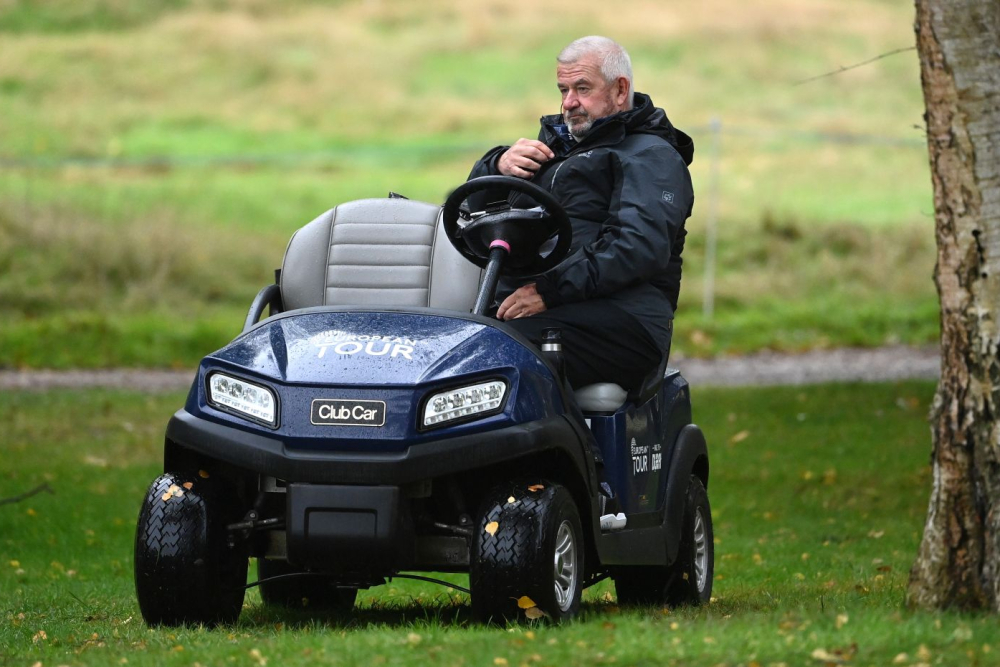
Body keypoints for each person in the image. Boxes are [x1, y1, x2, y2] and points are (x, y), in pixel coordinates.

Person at [467, 36, 695, 392]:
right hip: (539, 306)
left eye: (582, 88)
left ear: (621, 90)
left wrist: (548, 291)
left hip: (625, 321)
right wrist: (496, 166)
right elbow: (470, 214)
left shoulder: (650, 155)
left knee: (491, 351)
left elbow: (636, 247)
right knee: (449, 344)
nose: (569, 102)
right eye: (563, 90)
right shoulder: (554, 151)